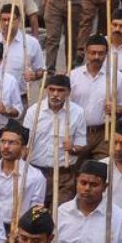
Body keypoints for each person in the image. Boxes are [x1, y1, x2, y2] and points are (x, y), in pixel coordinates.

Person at [23, 73, 88, 207]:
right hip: (37, 172)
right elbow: (24, 144)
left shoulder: (77, 112)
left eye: (60, 90)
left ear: (68, 92)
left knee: (60, 213)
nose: (55, 94)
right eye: (52, 89)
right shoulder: (33, 111)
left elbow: (81, 145)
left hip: (64, 175)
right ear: (47, 90)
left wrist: (73, 148)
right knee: (37, 215)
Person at [0, 119, 47, 242]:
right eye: (3, 141)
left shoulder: (35, 176)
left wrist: (22, 231)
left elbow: (37, 209)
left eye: (12, 143)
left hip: (18, 232)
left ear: (23, 148)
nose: (5, 147)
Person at [71, 34, 122, 159]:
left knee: (102, 172)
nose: (96, 57)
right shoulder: (73, 76)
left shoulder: (117, 77)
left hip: (104, 134)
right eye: (92, 53)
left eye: (101, 53)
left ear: (107, 54)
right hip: (78, 133)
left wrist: (115, 108)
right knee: (78, 172)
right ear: (85, 52)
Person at [0, 4, 45, 99]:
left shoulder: (31, 43)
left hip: (19, 96)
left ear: (19, 20)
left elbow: (41, 70)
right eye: (4, 20)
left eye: (11, 19)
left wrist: (34, 75)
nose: (7, 23)